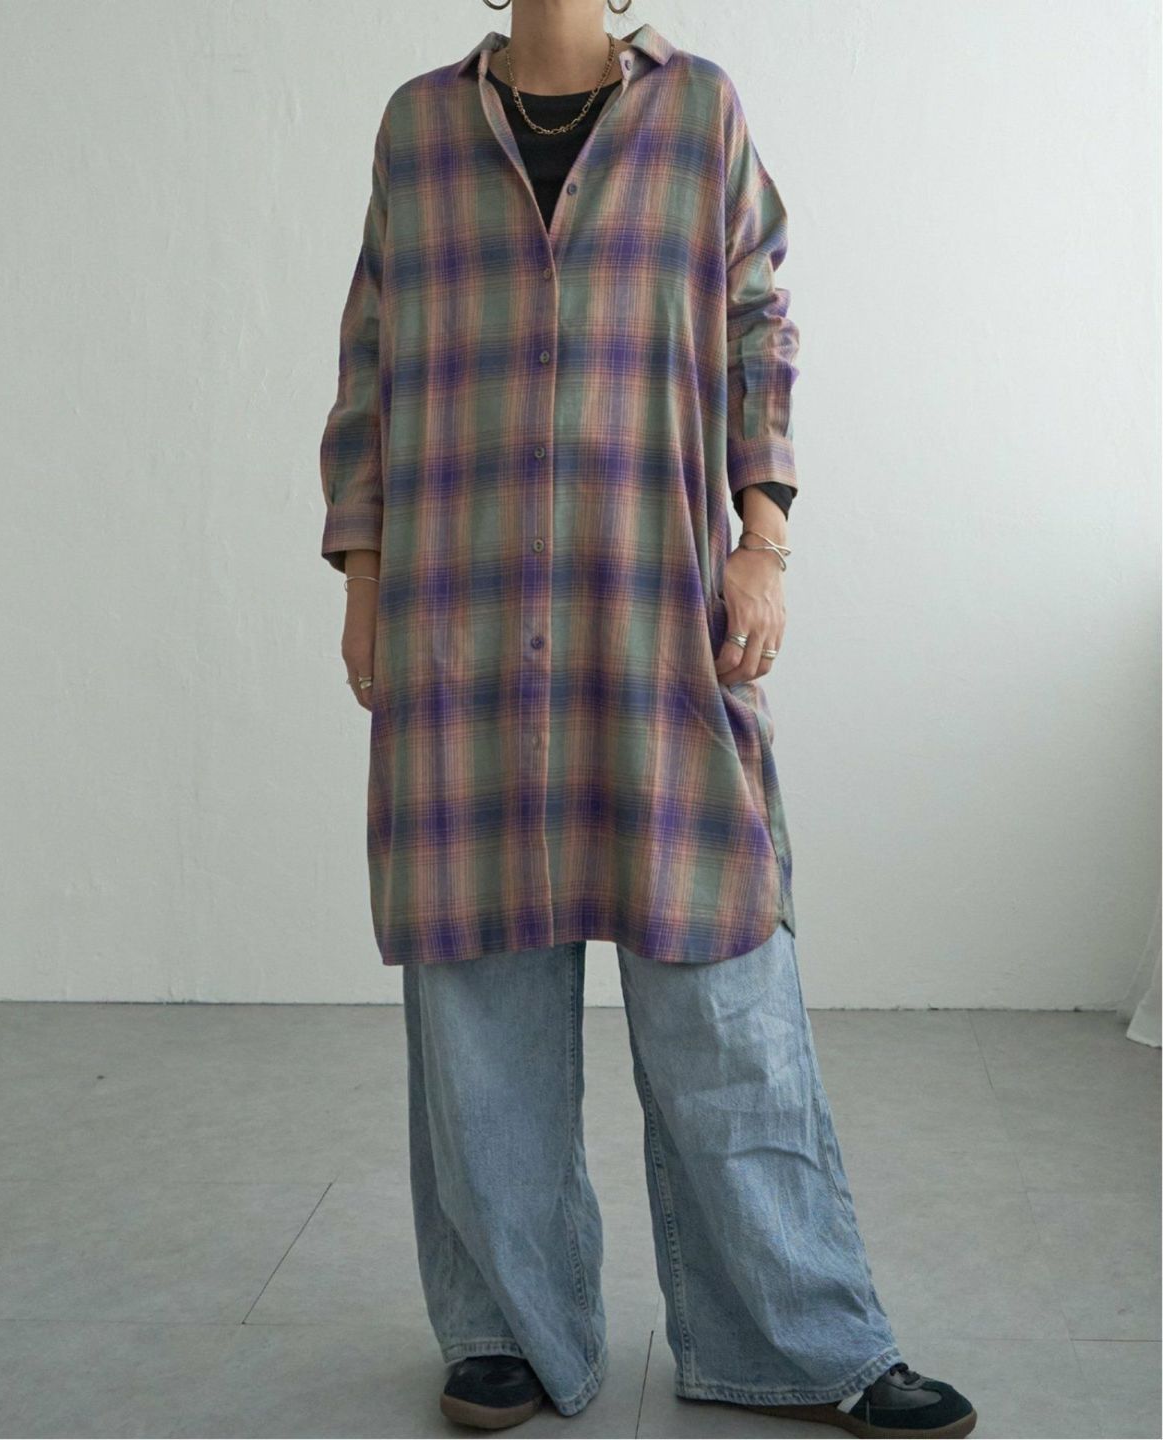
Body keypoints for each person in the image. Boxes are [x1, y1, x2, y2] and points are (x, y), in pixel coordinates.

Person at [318, 4, 978, 1436]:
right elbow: (371, 363)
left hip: (654, 613)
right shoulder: (419, 130)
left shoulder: (699, 115)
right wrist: (363, 579)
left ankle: (798, 1338)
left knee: (726, 989)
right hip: (462, 620)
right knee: (479, 992)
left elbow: (758, 324)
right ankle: (504, 1330)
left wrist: (763, 538)